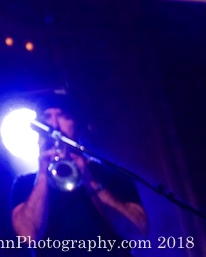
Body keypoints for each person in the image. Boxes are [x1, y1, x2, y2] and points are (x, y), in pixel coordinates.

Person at [11, 93, 149, 255]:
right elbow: (28, 236)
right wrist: (43, 173)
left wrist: (88, 177)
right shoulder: (25, 184)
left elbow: (138, 231)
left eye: (63, 116)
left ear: (78, 125)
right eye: (46, 117)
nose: (54, 125)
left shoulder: (112, 175)